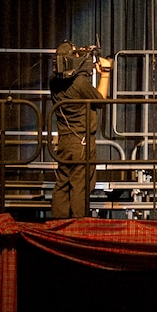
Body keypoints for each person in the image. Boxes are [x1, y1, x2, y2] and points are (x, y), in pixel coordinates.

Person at [48, 43, 111, 219]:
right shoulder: (80, 83)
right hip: (81, 141)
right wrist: (105, 74)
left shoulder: (53, 81)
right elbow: (100, 101)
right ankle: (78, 226)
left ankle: (57, 225)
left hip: (65, 140)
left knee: (62, 183)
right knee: (80, 185)